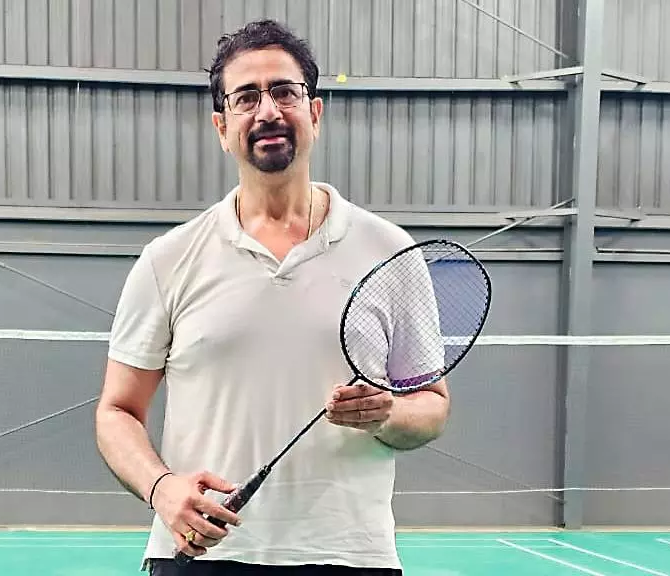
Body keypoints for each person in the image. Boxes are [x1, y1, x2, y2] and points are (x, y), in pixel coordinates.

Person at [95, 19, 451, 576]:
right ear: (222, 127)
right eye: (246, 97)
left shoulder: (389, 251)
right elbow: (117, 410)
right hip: (202, 553)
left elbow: (431, 406)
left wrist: (387, 413)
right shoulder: (169, 258)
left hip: (349, 555)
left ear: (315, 113)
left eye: (285, 92)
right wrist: (161, 488)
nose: (267, 111)